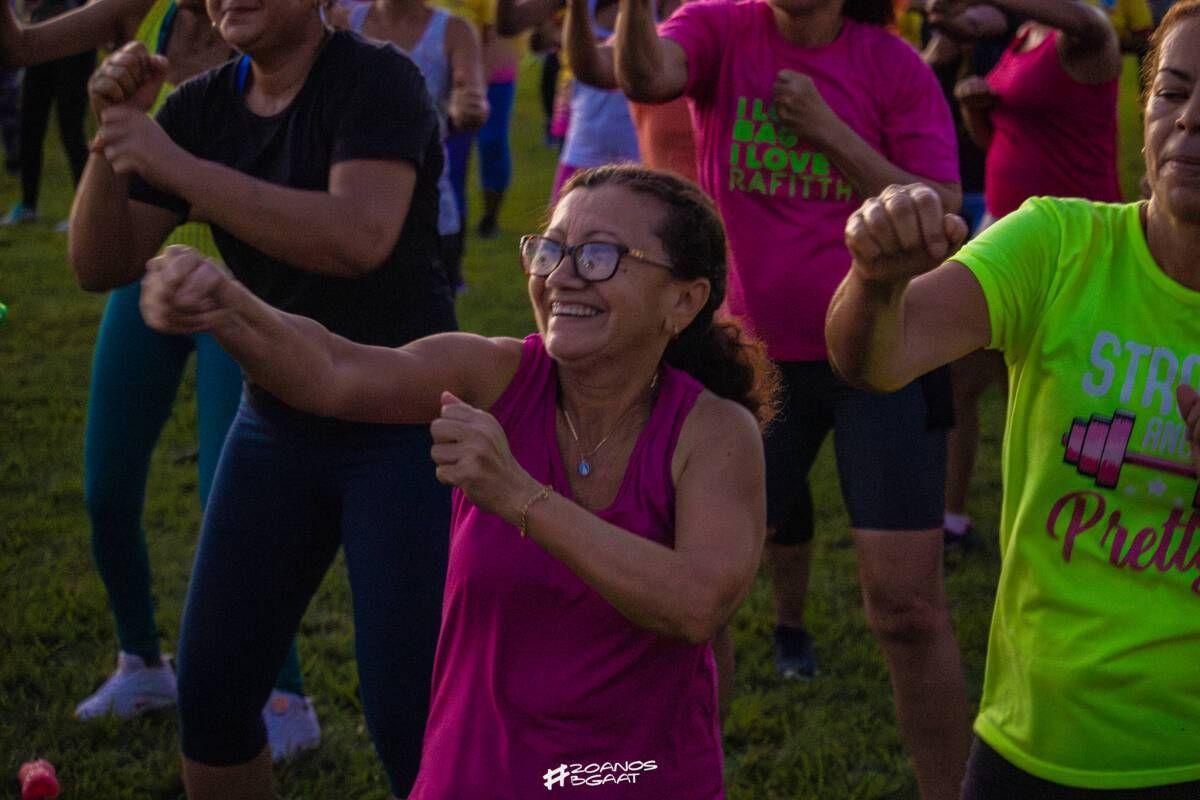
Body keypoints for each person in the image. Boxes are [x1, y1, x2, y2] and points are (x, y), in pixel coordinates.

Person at [138, 162, 771, 798]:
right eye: (551, 249)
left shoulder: (714, 433)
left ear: (682, 301)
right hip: (474, 776)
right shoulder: (492, 375)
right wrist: (227, 303)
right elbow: (331, 368)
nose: (560, 275)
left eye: (600, 254)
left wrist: (518, 494)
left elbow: (696, 604)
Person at [68, 0, 456, 794]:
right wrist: (113, 135)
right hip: (277, 421)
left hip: (402, 425)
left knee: (408, 716)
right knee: (212, 704)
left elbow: (356, 237)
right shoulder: (203, 107)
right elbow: (99, 261)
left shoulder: (379, 80)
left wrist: (179, 169)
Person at [826, 3, 1200, 795]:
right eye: (1172, 93)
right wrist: (875, 283)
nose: (1189, 122)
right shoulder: (1058, 244)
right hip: (1033, 739)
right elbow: (878, 360)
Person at [614, 2, 971, 798]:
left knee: (908, 610)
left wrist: (830, 132)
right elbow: (644, 74)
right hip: (753, 366)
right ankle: (678, 781)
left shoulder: (892, 67)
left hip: (884, 359)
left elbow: (942, 213)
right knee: (698, 600)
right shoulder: (718, 28)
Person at [0, 0, 319, 760]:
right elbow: (18, 47)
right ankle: (141, 662)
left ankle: (285, 695)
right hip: (143, 268)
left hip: (244, 283)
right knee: (105, 488)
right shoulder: (141, 10)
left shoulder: (284, 24)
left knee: (229, 498)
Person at [946, 0, 1122, 548]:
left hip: (1073, 246)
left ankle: (1077, 524)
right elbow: (994, 139)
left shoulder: (1085, 32)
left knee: (1060, 393)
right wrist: (973, 106)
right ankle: (953, 520)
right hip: (1005, 234)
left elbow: (1090, 22)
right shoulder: (1024, 35)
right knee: (960, 379)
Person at [338, 0, 489, 290]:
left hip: (428, 213)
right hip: (353, 208)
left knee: (428, 329)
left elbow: (470, 94)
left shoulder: (454, 31)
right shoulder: (345, 24)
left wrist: (468, 106)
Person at [0, 0, 91, 225]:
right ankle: (28, 204)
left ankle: (86, 211)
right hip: (38, 37)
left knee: (70, 129)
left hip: (75, 42)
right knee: (29, 125)